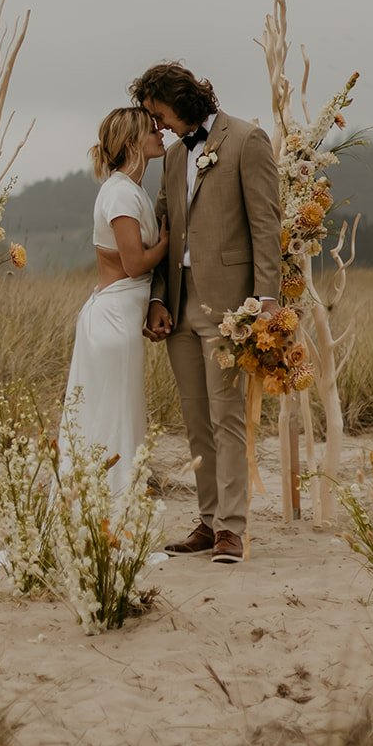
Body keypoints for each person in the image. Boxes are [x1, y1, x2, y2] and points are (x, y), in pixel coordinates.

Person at [130, 62, 281, 564]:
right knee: (196, 418)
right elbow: (163, 228)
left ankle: (232, 529)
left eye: (158, 113)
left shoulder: (247, 140)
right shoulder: (172, 159)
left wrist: (266, 301)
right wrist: (156, 298)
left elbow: (265, 227)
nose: (158, 124)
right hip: (178, 302)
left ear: (180, 100)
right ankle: (208, 518)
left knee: (228, 418)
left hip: (232, 306)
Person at [60, 107, 168, 496]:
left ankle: (103, 506)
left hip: (118, 318)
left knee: (115, 418)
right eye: (150, 130)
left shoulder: (129, 189)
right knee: (113, 420)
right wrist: (170, 242)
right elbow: (135, 262)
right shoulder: (121, 192)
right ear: (130, 143)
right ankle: (110, 509)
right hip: (112, 324)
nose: (160, 133)